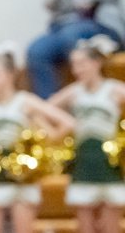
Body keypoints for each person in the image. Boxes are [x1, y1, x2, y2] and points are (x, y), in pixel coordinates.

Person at [0, 48, 75, 233]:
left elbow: (67, 122)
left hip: (22, 176)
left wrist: (45, 144)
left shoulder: (25, 101)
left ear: (10, 75)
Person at [48, 35, 125, 233]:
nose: (77, 70)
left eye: (82, 64)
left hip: (109, 163)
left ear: (97, 63)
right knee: (84, 226)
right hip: (83, 160)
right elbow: (41, 110)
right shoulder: (73, 92)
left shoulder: (114, 89)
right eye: (74, 65)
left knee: (111, 226)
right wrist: (56, 132)